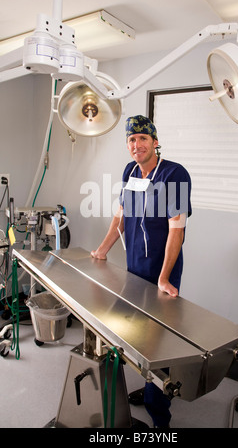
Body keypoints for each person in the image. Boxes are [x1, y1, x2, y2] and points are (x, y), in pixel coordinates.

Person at [91, 115, 192, 427]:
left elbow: (177, 231)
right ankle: (149, 387)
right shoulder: (130, 171)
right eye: (131, 140)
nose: (137, 145)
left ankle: (160, 415)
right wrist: (103, 249)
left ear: (155, 141)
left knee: (157, 342)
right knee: (135, 334)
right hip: (133, 268)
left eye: (143, 139)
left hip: (161, 273)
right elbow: (120, 217)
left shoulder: (174, 174)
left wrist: (163, 277)